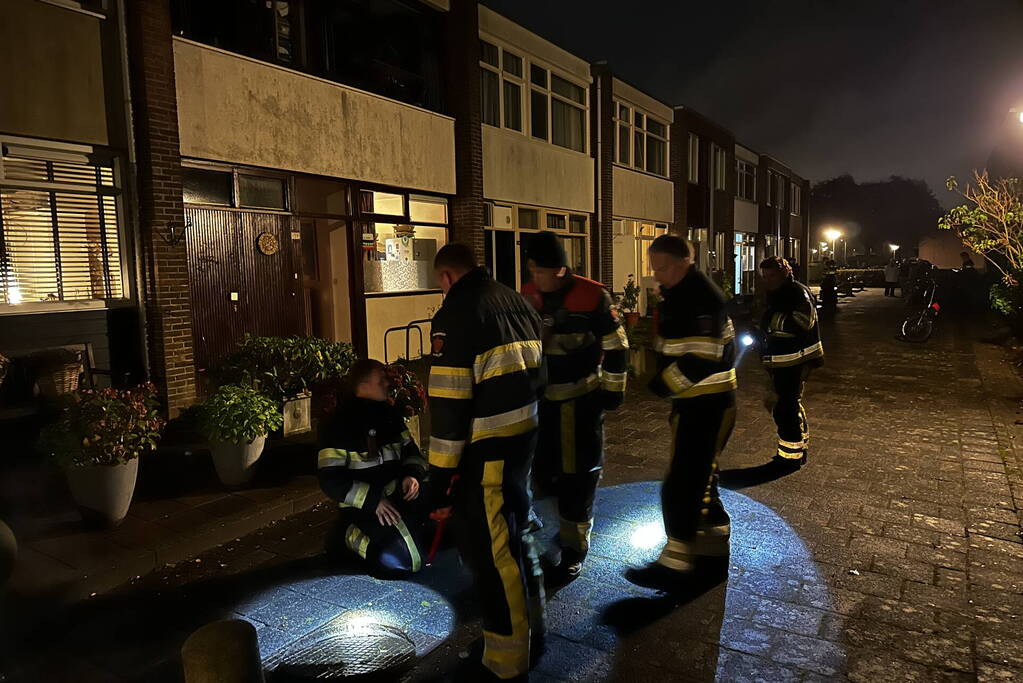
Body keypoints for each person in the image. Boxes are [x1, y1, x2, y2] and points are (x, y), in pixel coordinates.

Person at [427, 243, 546, 682]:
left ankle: (506, 658)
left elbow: (449, 406)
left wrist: (440, 482)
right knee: (515, 536)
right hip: (523, 441)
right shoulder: (515, 301)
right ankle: (528, 629)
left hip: (488, 452)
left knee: (495, 554)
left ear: (446, 277)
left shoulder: (456, 314)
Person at [624, 235, 737, 591]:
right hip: (698, 403)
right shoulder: (684, 293)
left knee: (682, 483)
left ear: (684, 262)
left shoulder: (700, 299)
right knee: (702, 479)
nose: (656, 276)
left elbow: (701, 360)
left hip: (706, 404)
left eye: (662, 268)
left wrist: (660, 384)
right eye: (653, 268)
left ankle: (675, 563)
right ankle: (713, 550)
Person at [520, 231, 629, 586]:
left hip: (580, 405)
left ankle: (573, 551)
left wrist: (611, 394)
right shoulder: (528, 295)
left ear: (561, 269)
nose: (535, 277)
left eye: (540, 270)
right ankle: (548, 536)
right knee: (543, 475)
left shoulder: (593, 296)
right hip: (540, 406)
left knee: (578, 478)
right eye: (532, 270)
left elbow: (617, 346)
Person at [317, 359, 428, 575]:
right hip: (364, 509)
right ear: (364, 385)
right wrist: (373, 500)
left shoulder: (390, 415)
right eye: (382, 380)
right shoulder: (337, 426)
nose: (388, 383)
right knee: (400, 561)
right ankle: (344, 534)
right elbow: (330, 480)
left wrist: (412, 476)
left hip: (398, 497)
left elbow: (412, 453)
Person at [757, 256, 824, 469]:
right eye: (765, 276)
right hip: (782, 359)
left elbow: (804, 321)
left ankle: (791, 455)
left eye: (772, 275)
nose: (768, 280)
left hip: (796, 359)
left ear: (786, 271)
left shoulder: (797, 292)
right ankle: (797, 444)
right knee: (786, 403)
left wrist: (770, 322)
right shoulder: (776, 292)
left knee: (785, 406)